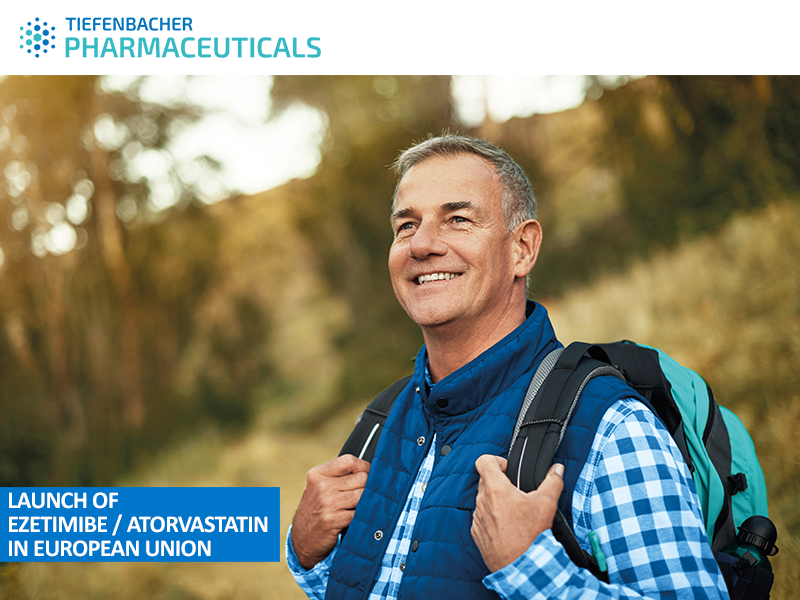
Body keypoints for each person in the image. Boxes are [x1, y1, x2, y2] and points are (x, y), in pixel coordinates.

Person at [286, 134, 728, 599]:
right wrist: (309, 555)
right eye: (406, 225)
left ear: (522, 248)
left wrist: (530, 567)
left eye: (458, 219)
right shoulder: (378, 422)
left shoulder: (612, 428)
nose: (422, 244)